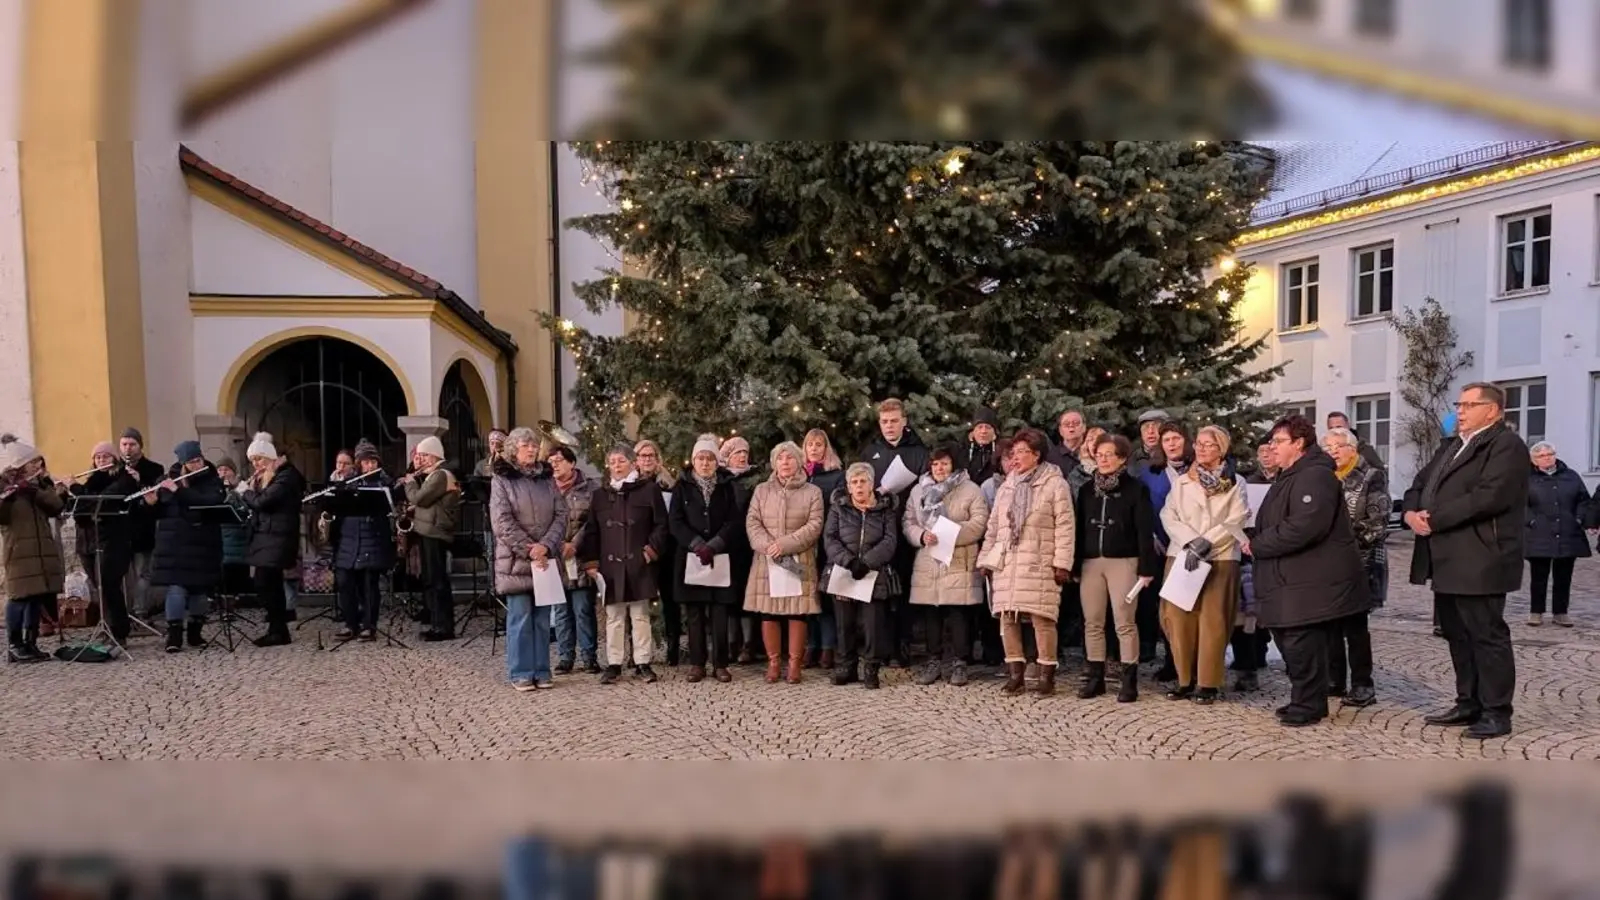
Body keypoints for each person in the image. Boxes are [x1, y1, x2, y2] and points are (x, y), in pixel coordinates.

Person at [1404, 383, 1525, 740]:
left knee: (1486, 635)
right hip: (1446, 556)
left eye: (1470, 405)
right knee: (1457, 633)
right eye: (1459, 404)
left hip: (1482, 555)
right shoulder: (1453, 444)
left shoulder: (1505, 445)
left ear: (1493, 410)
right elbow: (1420, 482)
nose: (1461, 411)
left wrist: (1434, 518)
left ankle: (1496, 711)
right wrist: (1410, 512)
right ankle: (1468, 701)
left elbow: (1489, 496)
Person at [1251, 415, 1371, 727]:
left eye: (1279, 441)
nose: (1272, 447)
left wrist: (1259, 544)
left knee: (1300, 640)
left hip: (1309, 579)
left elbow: (1305, 526)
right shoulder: (1292, 474)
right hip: (1292, 576)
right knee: (1294, 640)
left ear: (1299, 443)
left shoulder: (1314, 477)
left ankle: (1309, 704)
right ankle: (1304, 698)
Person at [977, 428, 1074, 696]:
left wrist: (1062, 563)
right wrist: (985, 558)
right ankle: (1015, 674)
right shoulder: (1007, 486)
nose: (1016, 458)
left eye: (1023, 452)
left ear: (1037, 455)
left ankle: (1046, 675)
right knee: (1008, 617)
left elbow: (1065, 526)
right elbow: (994, 526)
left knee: (1042, 618)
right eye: (1014, 452)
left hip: (1039, 560)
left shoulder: (1055, 483)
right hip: (1008, 561)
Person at [1157, 424, 1248, 705]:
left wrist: (1205, 543)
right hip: (1183, 554)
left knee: (1213, 620)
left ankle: (1208, 682)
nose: (1202, 449)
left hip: (1219, 557)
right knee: (1178, 618)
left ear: (1222, 449)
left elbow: (1236, 518)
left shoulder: (1236, 482)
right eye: (1199, 443)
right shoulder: (1183, 481)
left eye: (1209, 444)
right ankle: (1185, 679)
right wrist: (1190, 542)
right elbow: (1168, 514)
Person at [1073, 435, 1160, 703]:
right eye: (1099, 453)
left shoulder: (1135, 489)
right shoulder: (1086, 490)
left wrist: (1146, 568)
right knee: (1093, 621)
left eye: (1109, 454)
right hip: (1091, 561)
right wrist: (1075, 564)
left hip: (1124, 560)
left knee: (1124, 621)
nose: (1103, 458)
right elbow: (1079, 528)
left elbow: (1145, 531)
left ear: (1122, 458)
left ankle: (1128, 679)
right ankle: (1096, 675)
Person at [581, 444, 669, 685]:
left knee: (640, 615)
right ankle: (614, 663)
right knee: (614, 616)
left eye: (621, 461)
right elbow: (592, 531)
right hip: (610, 566)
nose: (617, 466)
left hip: (639, 562)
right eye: (612, 461)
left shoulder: (649, 490)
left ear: (633, 463)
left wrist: (650, 551)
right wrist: (591, 562)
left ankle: (643, 662)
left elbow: (661, 525)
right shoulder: (600, 495)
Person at [490, 427, 568, 691]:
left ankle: (542, 670)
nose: (532, 450)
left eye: (534, 445)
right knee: (521, 618)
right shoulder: (502, 480)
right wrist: (529, 548)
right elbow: (501, 521)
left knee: (542, 619)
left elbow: (561, 515)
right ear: (514, 449)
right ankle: (521, 672)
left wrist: (546, 546)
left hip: (544, 559)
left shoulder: (547, 479)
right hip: (516, 562)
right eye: (526, 446)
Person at [904, 444, 989, 687]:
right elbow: (908, 521)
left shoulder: (970, 489)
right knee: (932, 613)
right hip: (929, 560)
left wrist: (950, 534)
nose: (940, 468)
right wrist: (920, 536)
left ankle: (960, 663)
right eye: (935, 464)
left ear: (954, 465)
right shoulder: (918, 490)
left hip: (959, 559)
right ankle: (934, 661)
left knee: (958, 613)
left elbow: (979, 523)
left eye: (944, 463)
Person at [743, 441, 825, 685]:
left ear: (799, 461)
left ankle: (794, 664)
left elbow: (815, 524)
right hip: (767, 559)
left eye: (790, 458)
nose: (785, 463)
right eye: (780, 458)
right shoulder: (761, 490)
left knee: (797, 612)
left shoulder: (812, 491)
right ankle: (774, 662)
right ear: (774, 463)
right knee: (769, 613)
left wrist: (786, 544)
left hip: (798, 558)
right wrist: (768, 545)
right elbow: (752, 521)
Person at [1321, 427, 1389, 707]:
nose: (1333, 451)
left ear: (1353, 448)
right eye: (1328, 448)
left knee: (1355, 626)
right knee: (1329, 625)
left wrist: (1342, 544)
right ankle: (1334, 679)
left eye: (1338, 446)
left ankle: (1363, 684)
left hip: (1359, 561)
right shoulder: (1324, 478)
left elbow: (1378, 522)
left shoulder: (1371, 476)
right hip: (1326, 563)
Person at [860, 398, 929, 667]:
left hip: (907, 530)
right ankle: (879, 647)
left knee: (904, 590)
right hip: (877, 531)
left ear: (904, 422)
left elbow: (927, 490)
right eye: (884, 422)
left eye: (894, 421)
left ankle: (903, 646)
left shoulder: (919, 452)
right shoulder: (870, 451)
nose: (889, 426)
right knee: (878, 592)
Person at [670, 436, 745, 683]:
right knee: (694, 614)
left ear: (716, 462)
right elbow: (676, 521)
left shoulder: (727, 485)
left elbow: (734, 520)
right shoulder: (682, 486)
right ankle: (697, 663)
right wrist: (696, 544)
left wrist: (715, 544)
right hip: (691, 556)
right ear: (693, 461)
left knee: (719, 613)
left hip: (720, 556)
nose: (705, 463)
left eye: (709, 458)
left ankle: (720, 664)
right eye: (700, 458)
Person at [145, 441, 226, 653]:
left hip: (203, 542)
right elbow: (159, 513)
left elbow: (208, 502)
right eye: (191, 462)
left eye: (198, 460)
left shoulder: (211, 479)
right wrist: (151, 503)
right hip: (174, 544)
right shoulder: (167, 479)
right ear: (182, 463)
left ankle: (195, 633)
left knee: (199, 589)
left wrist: (179, 491)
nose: (196, 465)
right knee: (176, 589)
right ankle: (174, 636)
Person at [825, 462, 900, 689]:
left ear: (872, 484)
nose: (859, 486)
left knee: (872, 624)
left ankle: (871, 668)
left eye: (863, 481)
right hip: (844, 572)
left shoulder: (885, 510)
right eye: (854, 482)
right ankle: (846, 666)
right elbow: (830, 538)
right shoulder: (838, 508)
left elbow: (890, 541)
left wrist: (867, 562)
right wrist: (848, 561)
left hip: (873, 574)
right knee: (844, 623)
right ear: (848, 486)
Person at [1, 434, 66, 663]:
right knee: (19, 597)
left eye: (39, 461)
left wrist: (39, 490)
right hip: (19, 550)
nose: (38, 466)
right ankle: (14, 644)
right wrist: (9, 497)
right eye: (33, 462)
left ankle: (31, 642)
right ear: (20, 465)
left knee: (36, 597)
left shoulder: (39, 485)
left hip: (41, 550)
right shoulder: (4, 484)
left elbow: (56, 507)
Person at [66, 441, 139, 643]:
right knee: (99, 586)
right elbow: (80, 512)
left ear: (114, 458)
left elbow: (103, 500)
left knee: (110, 584)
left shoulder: (123, 478)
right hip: (89, 541)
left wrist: (76, 488)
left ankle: (119, 631)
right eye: (97, 458)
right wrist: (66, 494)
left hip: (113, 541)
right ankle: (106, 626)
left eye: (105, 457)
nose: (101, 461)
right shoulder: (91, 481)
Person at [237, 432, 305, 647]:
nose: (256, 464)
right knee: (268, 583)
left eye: (259, 459)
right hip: (267, 536)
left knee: (266, 582)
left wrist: (246, 492)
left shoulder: (286, 476)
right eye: (253, 461)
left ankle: (279, 628)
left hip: (278, 537)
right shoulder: (271, 475)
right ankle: (278, 628)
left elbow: (263, 502)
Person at [329, 439, 395, 642]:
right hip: (349, 540)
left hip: (372, 540)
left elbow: (391, 507)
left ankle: (369, 625)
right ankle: (350, 623)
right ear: (358, 464)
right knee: (345, 583)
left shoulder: (384, 482)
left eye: (373, 462)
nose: (370, 466)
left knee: (369, 585)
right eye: (365, 462)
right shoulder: (350, 482)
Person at [1523, 441, 1590, 628]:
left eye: (1550, 454)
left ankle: (1561, 612)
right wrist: (1531, 520)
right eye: (1541, 456)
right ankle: (1536, 612)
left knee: (1564, 576)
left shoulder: (1571, 476)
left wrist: (1578, 518)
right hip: (1538, 534)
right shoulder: (1526, 478)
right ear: (1534, 460)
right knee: (1539, 576)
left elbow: (1583, 500)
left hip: (1568, 532)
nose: (1547, 458)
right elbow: (1519, 504)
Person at [402, 436, 463, 641]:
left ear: (435, 455)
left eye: (425, 455)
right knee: (430, 579)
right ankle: (434, 621)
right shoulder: (433, 475)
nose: (422, 459)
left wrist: (410, 484)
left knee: (437, 580)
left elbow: (420, 498)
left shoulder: (440, 475)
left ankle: (443, 627)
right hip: (427, 531)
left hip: (435, 533)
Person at [548, 444, 599, 674]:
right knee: (561, 612)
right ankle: (565, 657)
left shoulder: (590, 489)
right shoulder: (546, 489)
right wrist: (556, 544)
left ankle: (589, 657)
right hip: (556, 558)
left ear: (572, 463)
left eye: (558, 460)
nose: (554, 465)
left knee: (582, 609)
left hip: (580, 558)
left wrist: (575, 544)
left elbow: (592, 522)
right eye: (551, 461)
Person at [635, 438, 682, 665]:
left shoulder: (669, 484)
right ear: (636, 460)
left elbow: (671, 519)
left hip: (668, 552)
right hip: (640, 550)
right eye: (642, 456)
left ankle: (673, 649)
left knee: (671, 602)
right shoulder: (630, 484)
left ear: (657, 459)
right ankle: (640, 653)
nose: (647, 460)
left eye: (650, 456)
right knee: (638, 602)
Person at [802, 428, 845, 669]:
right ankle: (811, 644)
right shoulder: (800, 476)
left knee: (826, 596)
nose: (815, 449)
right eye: (810, 445)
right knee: (808, 594)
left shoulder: (837, 475)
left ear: (826, 447)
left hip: (828, 542)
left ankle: (829, 646)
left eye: (819, 444)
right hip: (805, 543)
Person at [722, 435, 762, 665]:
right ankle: (730, 643)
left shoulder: (754, 479)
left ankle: (749, 644)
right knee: (729, 596)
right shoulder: (722, 480)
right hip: (727, 545)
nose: (742, 457)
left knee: (747, 595)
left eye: (745, 453)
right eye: (737, 453)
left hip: (750, 545)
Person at [117, 427, 165, 622]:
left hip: (143, 529)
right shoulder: (115, 468)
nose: (128, 449)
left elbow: (155, 501)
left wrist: (139, 482)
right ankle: (122, 613)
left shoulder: (154, 469)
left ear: (140, 446)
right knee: (121, 575)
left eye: (132, 444)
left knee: (143, 573)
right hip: (119, 530)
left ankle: (140, 612)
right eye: (124, 444)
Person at [212, 457, 253, 595]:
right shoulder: (213, 489)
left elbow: (246, 510)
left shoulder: (243, 489)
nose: (223, 473)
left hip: (238, 542)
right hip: (219, 541)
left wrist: (234, 492)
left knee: (236, 580)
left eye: (227, 469)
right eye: (220, 469)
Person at [966, 406, 1001, 485]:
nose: (983, 431)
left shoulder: (1000, 449)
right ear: (973, 431)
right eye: (980, 427)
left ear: (994, 431)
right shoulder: (963, 448)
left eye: (988, 427)